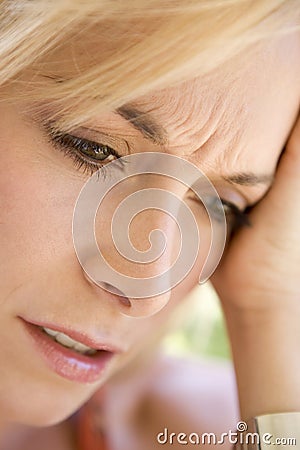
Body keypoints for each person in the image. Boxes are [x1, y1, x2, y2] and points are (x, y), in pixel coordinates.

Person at [0, 1, 299, 449]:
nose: (146, 290)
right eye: (94, 150)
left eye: (221, 204)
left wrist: (266, 307)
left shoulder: (211, 429)